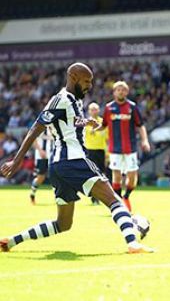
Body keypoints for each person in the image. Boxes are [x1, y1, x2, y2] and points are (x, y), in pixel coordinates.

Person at [0, 62, 153, 254]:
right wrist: (17, 160)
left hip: (58, 167)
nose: (90, 85)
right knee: (114, 200)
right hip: (74, 160)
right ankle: (132, 243)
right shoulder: (60, 99)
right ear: (73, 78)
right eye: (86, 81)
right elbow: (36, 128)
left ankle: (10, 242)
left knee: (63, 224)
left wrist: (84, 122)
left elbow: (66, 120)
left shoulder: (75, 100)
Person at [99, 81, 151, 212]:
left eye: (123, 90)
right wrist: (93, 127)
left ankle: (126, 196)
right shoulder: (109, 108)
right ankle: (118, 203)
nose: (120, 92)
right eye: (118, 90)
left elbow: (140, 125)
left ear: (127, 92)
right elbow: (103, 125)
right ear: (114, 92)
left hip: (130, 148)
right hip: (115, 149)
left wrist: (145, 141)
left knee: (132, 176)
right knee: (116, 175)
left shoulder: (132, 107)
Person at [84, 102, 108, 205]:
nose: (94, 111)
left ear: (99, 110)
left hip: (101, 151)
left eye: (96, 109)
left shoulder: (103, 123)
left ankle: (100, 196)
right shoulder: (85, 123)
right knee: (92, 175)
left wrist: (108, 153)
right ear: (89, 111)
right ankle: (94, 197)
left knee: (102, 175)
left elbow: (108, 138)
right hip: (90, 151)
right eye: (92, 109)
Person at [29, 128, 53, 204]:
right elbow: (33, 139)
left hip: (53, 154)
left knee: (56, 175)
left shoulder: (55, 124)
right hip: (41, 155)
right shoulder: (40, 124)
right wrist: (40, 150)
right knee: (40, 177)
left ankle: (59, 197)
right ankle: (32, 194)